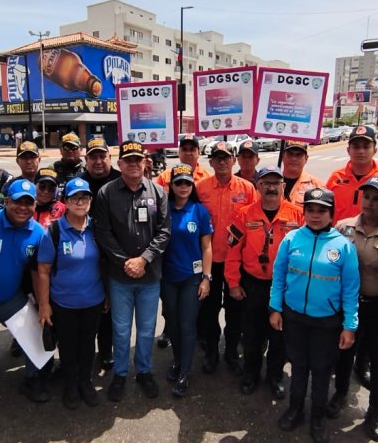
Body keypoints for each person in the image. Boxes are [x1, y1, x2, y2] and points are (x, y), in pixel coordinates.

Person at [269, 188, 359, 443]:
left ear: (332, 213)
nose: (316, 215)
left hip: (327, 321)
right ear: (304, 211)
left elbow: (351, 289)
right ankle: (295, 409)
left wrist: (350, 325)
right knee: (298, 366)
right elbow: (279, 277)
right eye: (311, 210)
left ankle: (317, 417)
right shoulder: (292, 239)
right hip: (295, 316)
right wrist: (275, 309)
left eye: (322, 211)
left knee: (321, 370)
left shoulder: (343, 246)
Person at [92, 140, 171, 402]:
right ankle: (121, 374)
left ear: (145, 162)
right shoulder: (106, 193)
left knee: (147, 329)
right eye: (129, 160)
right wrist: (126, 261)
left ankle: (145, 371)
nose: (134, 164)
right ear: (120, 164)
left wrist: (144, 260)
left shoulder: (158, 192)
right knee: (122, 330)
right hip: (120, 277)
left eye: (139, 159)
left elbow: (164, 231)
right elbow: (103, 233)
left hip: (150, 276)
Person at [0, 179, 52, 403]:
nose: (23, 208)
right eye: (17, 202)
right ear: (6, 201)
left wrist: (43, 305)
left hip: (10, 299)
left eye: (28, 203)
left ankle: (32, 379)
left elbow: (37, 271)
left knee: (37, 335)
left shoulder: (39, 233)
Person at [331, 175, 378, 441]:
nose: (370, 203)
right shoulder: (343, 227)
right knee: (345, 353)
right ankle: (339, 394)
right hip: (348, 304)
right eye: (367, 197)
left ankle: (374, 410)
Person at [226, 166, 304, 399]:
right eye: (266, 183)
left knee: (279, 335)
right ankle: (251, 374)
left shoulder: (297, 215)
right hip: (253, 285)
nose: (271, 187)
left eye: (276, 183)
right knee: (252, 334)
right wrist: (233, 283)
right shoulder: (243, 214)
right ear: (257, 186)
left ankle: (275, 376)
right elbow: (232, 252)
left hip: (284, 287)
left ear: (283, 186)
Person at [35, 177, 105, 409]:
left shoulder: (97, 228)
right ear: (65, 201)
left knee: (87, 344)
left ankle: (85, 382)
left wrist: (109, 295)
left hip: (93, 300)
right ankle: (71, 385)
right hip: (63, 303)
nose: (80, 201)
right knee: (67, 345)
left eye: (84, 197)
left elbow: (105, 264)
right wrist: (44, 305)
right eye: (74, 197)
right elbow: (43, 271)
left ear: (90, 200)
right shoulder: (54, 231)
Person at [196, 141, 257, 375]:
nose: (222, 162)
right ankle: (211, 350)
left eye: (226, 157)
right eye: (217, 158)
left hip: (237, 262)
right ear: (210, 162)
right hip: (209, 261)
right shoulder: (200, 189)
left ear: (234, 160)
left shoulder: (247, 189)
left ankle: (231, 351)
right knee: (208, 311)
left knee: (236, 311)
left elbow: (253, 224)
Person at [161, 164, 213, 397]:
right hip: (168, 277)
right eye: (178, 183)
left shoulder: (199, 211)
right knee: (172, 323)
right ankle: (177, 360)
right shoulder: (164, 209)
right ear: (171, 186)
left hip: (192, 278)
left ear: (193, 185)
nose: (183, 187)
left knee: (186, 324)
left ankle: (185, 371)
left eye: (187, 183)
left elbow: (207, 246)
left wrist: (206, 278)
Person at [76, 137, 120, 370]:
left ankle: (105, 350)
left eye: (102, 156)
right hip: (85, 252)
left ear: (110, 158)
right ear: (86, 160)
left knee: (107, 307)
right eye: (93, 157)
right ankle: (83, 354)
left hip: (113, 253)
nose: (98, 161)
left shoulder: (119, 180)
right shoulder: (78, 182)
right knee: (87, 306)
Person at [327, 125, 378, 224]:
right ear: (348, 150)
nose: (361, 151)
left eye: (366, 147)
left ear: (375, 150)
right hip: (338, 236)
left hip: (373, 238)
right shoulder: (336, 177)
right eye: (356, 147)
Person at [281, 141, 325, 208]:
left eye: (299, 155)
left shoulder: (316, 185)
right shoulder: (271, 183)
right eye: (290, 154)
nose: (294, 158)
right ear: (282, 156)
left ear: (306, 158)